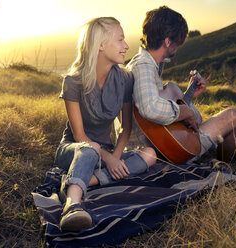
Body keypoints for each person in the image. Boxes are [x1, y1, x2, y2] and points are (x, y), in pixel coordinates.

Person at [54, 17, 157, 232]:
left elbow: (126, 129)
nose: (126, 46)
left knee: (149, 155)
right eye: (120, 40)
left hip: (107, 152)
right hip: (75, 150)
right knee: (89, 149)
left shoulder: (126, 79)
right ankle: (72, 205)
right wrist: (108, 159)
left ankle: (79, 182)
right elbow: (80, 135)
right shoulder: (73, 81)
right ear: (101, 45)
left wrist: (115, 158)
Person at [126, 6, 236, 163]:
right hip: (165, 149)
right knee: (234, 117)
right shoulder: (143, 66)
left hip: (165, 139)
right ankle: (224, 165)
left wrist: (188, 96)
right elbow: (150, 108)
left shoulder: (148, 64)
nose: (178, 47)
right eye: (177, 43)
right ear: (167, 41)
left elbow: (156, 105)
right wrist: (186, 111)